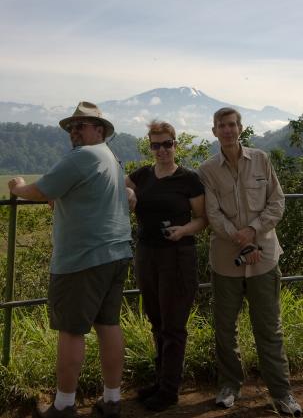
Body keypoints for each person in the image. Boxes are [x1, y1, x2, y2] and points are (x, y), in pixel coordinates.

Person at [8, 101, 132, 418]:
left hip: (83, 258)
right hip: (116, 252)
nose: (74, 131)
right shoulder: (111, 158)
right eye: (72, 126)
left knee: (71, 331)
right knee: (109, 325)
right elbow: (82, 195)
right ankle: (113, 399)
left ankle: (63, 405)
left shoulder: (83, 157)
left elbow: (40, 190)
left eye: (82, 125)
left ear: (100, 130)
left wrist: (18, 187)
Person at [197, 107, 302, 416]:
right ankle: (229, 385)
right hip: (227, 259)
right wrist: (241, 238)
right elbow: (213, 215)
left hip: (264, 256)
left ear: (240, 128)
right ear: (214, 131)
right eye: (221, 125)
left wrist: (253, 232)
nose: (227, 130)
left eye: (232, 124)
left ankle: (281, 393)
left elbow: (277, 201)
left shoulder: (261, 159)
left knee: (269, 328)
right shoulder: (206, 170)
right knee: (225, 328)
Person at [125, 121, 207, 412]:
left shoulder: (189, 179)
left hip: (178, 256)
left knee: (173, 325)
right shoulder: (141, 176)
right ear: (150, 146)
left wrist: (184, 230)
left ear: (175, 144)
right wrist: (130, 195)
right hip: (147, 254)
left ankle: (170, 390)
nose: (162, 150)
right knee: (156, 320)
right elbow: (117, 191)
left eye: (167, 144)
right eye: (155, 145)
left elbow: (202, 218)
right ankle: (161, 382)